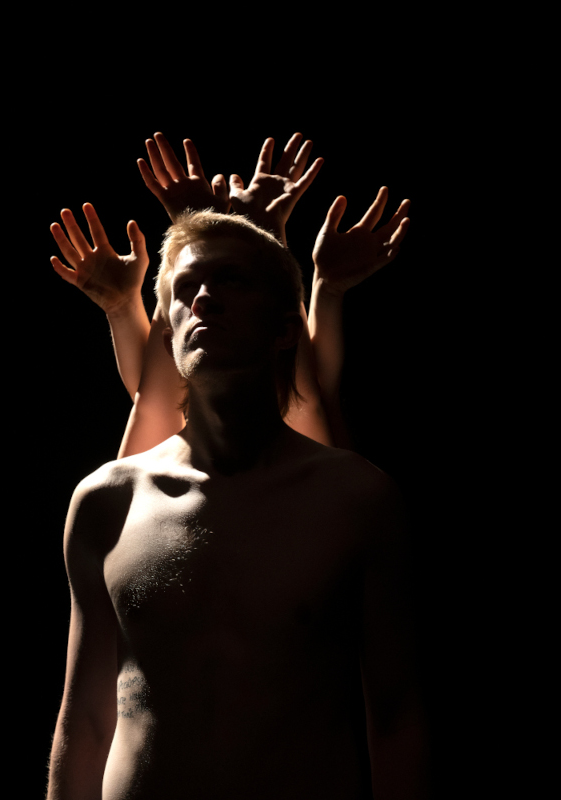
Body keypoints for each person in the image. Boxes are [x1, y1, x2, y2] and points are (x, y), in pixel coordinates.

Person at [47, 134, 425, 799]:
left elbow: (395, 719)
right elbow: (85, 722)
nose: (204, 300)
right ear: (167, 329)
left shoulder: (356, 499)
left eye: (231, 281)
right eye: (186, 288)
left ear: (285, 327)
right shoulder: (107, 502)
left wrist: (316, 280)